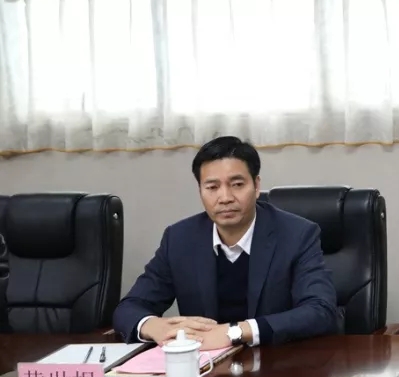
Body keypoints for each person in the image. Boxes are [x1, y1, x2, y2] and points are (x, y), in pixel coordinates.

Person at [112, 136, 340, 349]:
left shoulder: (297, 234)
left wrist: (235, 332)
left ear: (256, 186)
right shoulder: (180, 239)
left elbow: (320, 311)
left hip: (276, 363)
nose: (225, 198)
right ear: (200, 191)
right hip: (205, 367)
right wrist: (153, 326)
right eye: (212, 187)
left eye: (237, 184)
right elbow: (129, 307)